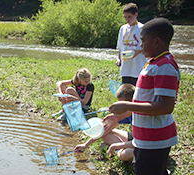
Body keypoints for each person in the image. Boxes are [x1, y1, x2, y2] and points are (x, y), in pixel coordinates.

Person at [106, 17, 180, 175]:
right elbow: (145, 100)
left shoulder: (165, 66)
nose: (140, 45)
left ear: (157, 42)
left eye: (143, 40)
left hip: (155, 139)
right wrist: (122, 114)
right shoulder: (155, 62)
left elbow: (166, 106)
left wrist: (127, 106)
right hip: (145, 138)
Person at [74, 84, 135, 162]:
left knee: (124, 154)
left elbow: (141, 142)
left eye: (121, 104)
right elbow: (105, 130)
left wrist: (116, 145)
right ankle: (121, 148)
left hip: (142, 145)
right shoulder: (124, 113)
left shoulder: (140, 116)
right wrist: (85, 145)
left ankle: (120, 150)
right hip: (134, 139)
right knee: (104, 133)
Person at [116, 3, 147, 86]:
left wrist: (137, 52)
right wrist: (118, 59)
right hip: (126, 68)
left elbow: (147, 47)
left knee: (137, 93)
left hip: (138, 67)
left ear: (136, 14)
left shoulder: (142, 28)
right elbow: (120, 47)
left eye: (129, 17)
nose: (127, 19)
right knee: (126, 92)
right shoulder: (123, 28)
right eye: (125, 17)